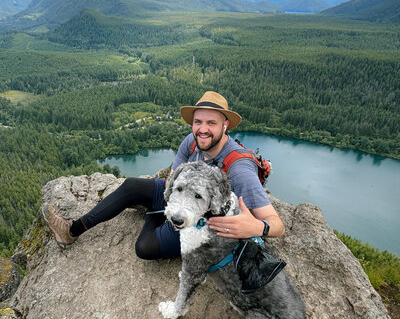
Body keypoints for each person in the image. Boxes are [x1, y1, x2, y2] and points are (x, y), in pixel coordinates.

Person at [42, 91, 285, 257]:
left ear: (225, 126)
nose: (202, 129)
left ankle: (153, 214)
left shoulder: (238, 168)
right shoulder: (193, 141)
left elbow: (277, 225)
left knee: (144, 248)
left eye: (211, 123)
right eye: (198, 121)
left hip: (205, 224)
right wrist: (168, 199)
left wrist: (254, 227)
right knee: (132, 186)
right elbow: (174, 176)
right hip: (183, 201)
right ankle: (71, 231)